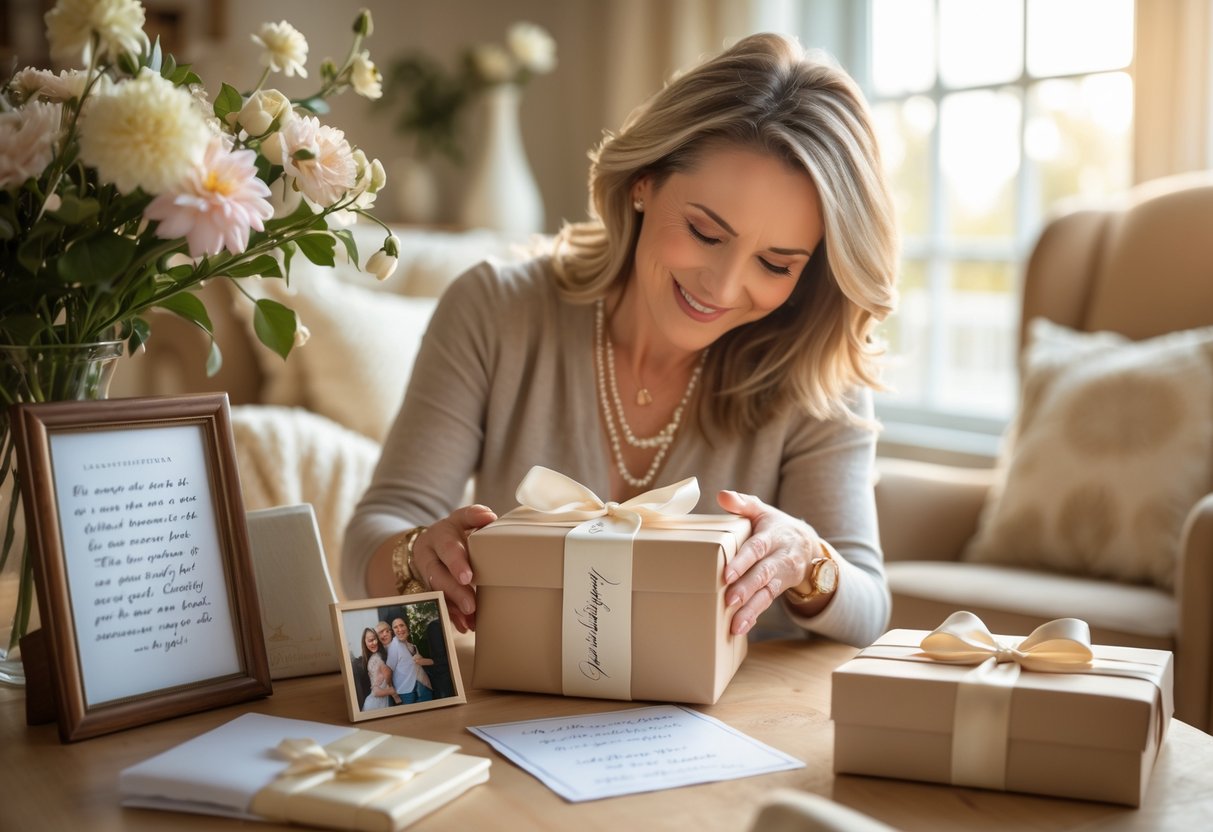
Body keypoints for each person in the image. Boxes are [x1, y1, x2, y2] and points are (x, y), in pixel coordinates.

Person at [345, 32, 897, 647]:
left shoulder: (818, 368)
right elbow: (374, 531)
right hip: (518, 710)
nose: (723, 285)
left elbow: (868, 606)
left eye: (775, 264)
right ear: (643, 181)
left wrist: (808, 558)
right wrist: (418, 551)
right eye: (705, 232)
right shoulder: (494, 310)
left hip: (737, 727)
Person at [390, 616, 434, 703]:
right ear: (393, 631)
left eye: (402, 625)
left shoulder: (413, 646)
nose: (399, 629)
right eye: (395, 627)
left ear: (407, 627)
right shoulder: (393, 646)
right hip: (407, 692)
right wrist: (394, 695)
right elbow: (389, 671)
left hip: (423, 686)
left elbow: (420, 663)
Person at [359, 627, 397, 711]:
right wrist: (392, 692)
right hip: (375, 705)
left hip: (380, 703)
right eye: (370, 640)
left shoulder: (379, 655)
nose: (375, 642)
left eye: (375, 639)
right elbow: (375, 691)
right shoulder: (375, 660)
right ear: (364, 643)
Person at [424, 616, 455, 699]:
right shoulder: (435, 626)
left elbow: (440, 658)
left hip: (445, 677)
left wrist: (430, 662)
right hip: (445, 678)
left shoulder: (435, 626)